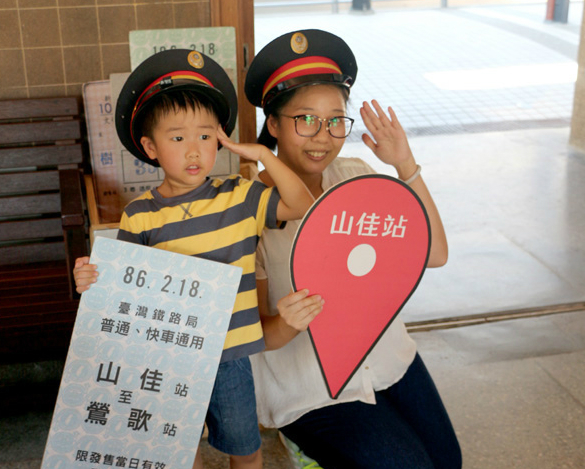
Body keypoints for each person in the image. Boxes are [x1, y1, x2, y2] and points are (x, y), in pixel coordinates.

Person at [72, 48, 314, 469]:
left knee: (247, 450)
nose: (194, 150)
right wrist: (91, 281)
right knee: (178, 450)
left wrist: (264, 155)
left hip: (231, 357)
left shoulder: (240, 196)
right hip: (168, 356)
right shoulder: (140, 213)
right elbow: (121, 293)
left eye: (205, 136)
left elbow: (301, 206)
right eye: (177, 137)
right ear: (149, 146)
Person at [245, 29, 462, 469]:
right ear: (272, 124)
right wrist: (289, 323)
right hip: (310, 387)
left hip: (387, 360)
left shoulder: (357, 176)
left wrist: (404, 164)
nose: (322, 136)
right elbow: (256, 336)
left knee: (448, 462)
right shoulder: (247, 210)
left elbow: (434, 254)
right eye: (305, 119)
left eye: (335, 120)